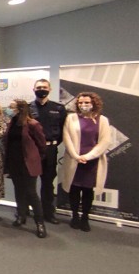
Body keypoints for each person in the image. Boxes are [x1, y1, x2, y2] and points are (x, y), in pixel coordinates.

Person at [61, 92, 111, 232]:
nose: (83, 105)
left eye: (87, 103)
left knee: (88, 191)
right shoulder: (71, 118)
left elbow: (104, 142)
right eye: (80, 103)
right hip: (74, 160)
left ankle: (85, 218)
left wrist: (87, 157)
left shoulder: (103, 120)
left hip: (92, 162)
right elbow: (67, 138)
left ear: (94, 103)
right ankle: (75, 216)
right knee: (74, 189)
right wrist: (76, 156)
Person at [3, 100, 47, 239]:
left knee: (31, 193)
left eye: (12, 107)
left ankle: (40, 223)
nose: (9, 109)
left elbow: (42, 144)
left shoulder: (33, 124)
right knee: (19, 190)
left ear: (20, 109)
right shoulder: (12, 122)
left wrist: (35, 157)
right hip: (14, 163)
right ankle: (21, 216)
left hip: (28, 163)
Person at [29, 79, 67, 224]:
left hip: (50, 149)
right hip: (32, 150)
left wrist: (53, 144)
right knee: (29, 183)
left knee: (47, 182)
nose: (41, 89)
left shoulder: (58, 108)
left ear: (50, 89)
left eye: (44, 87)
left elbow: (64, 130)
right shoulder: (28, 108)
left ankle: (48, 213)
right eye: (38, 87)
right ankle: (24, 211)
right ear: (33, 89)